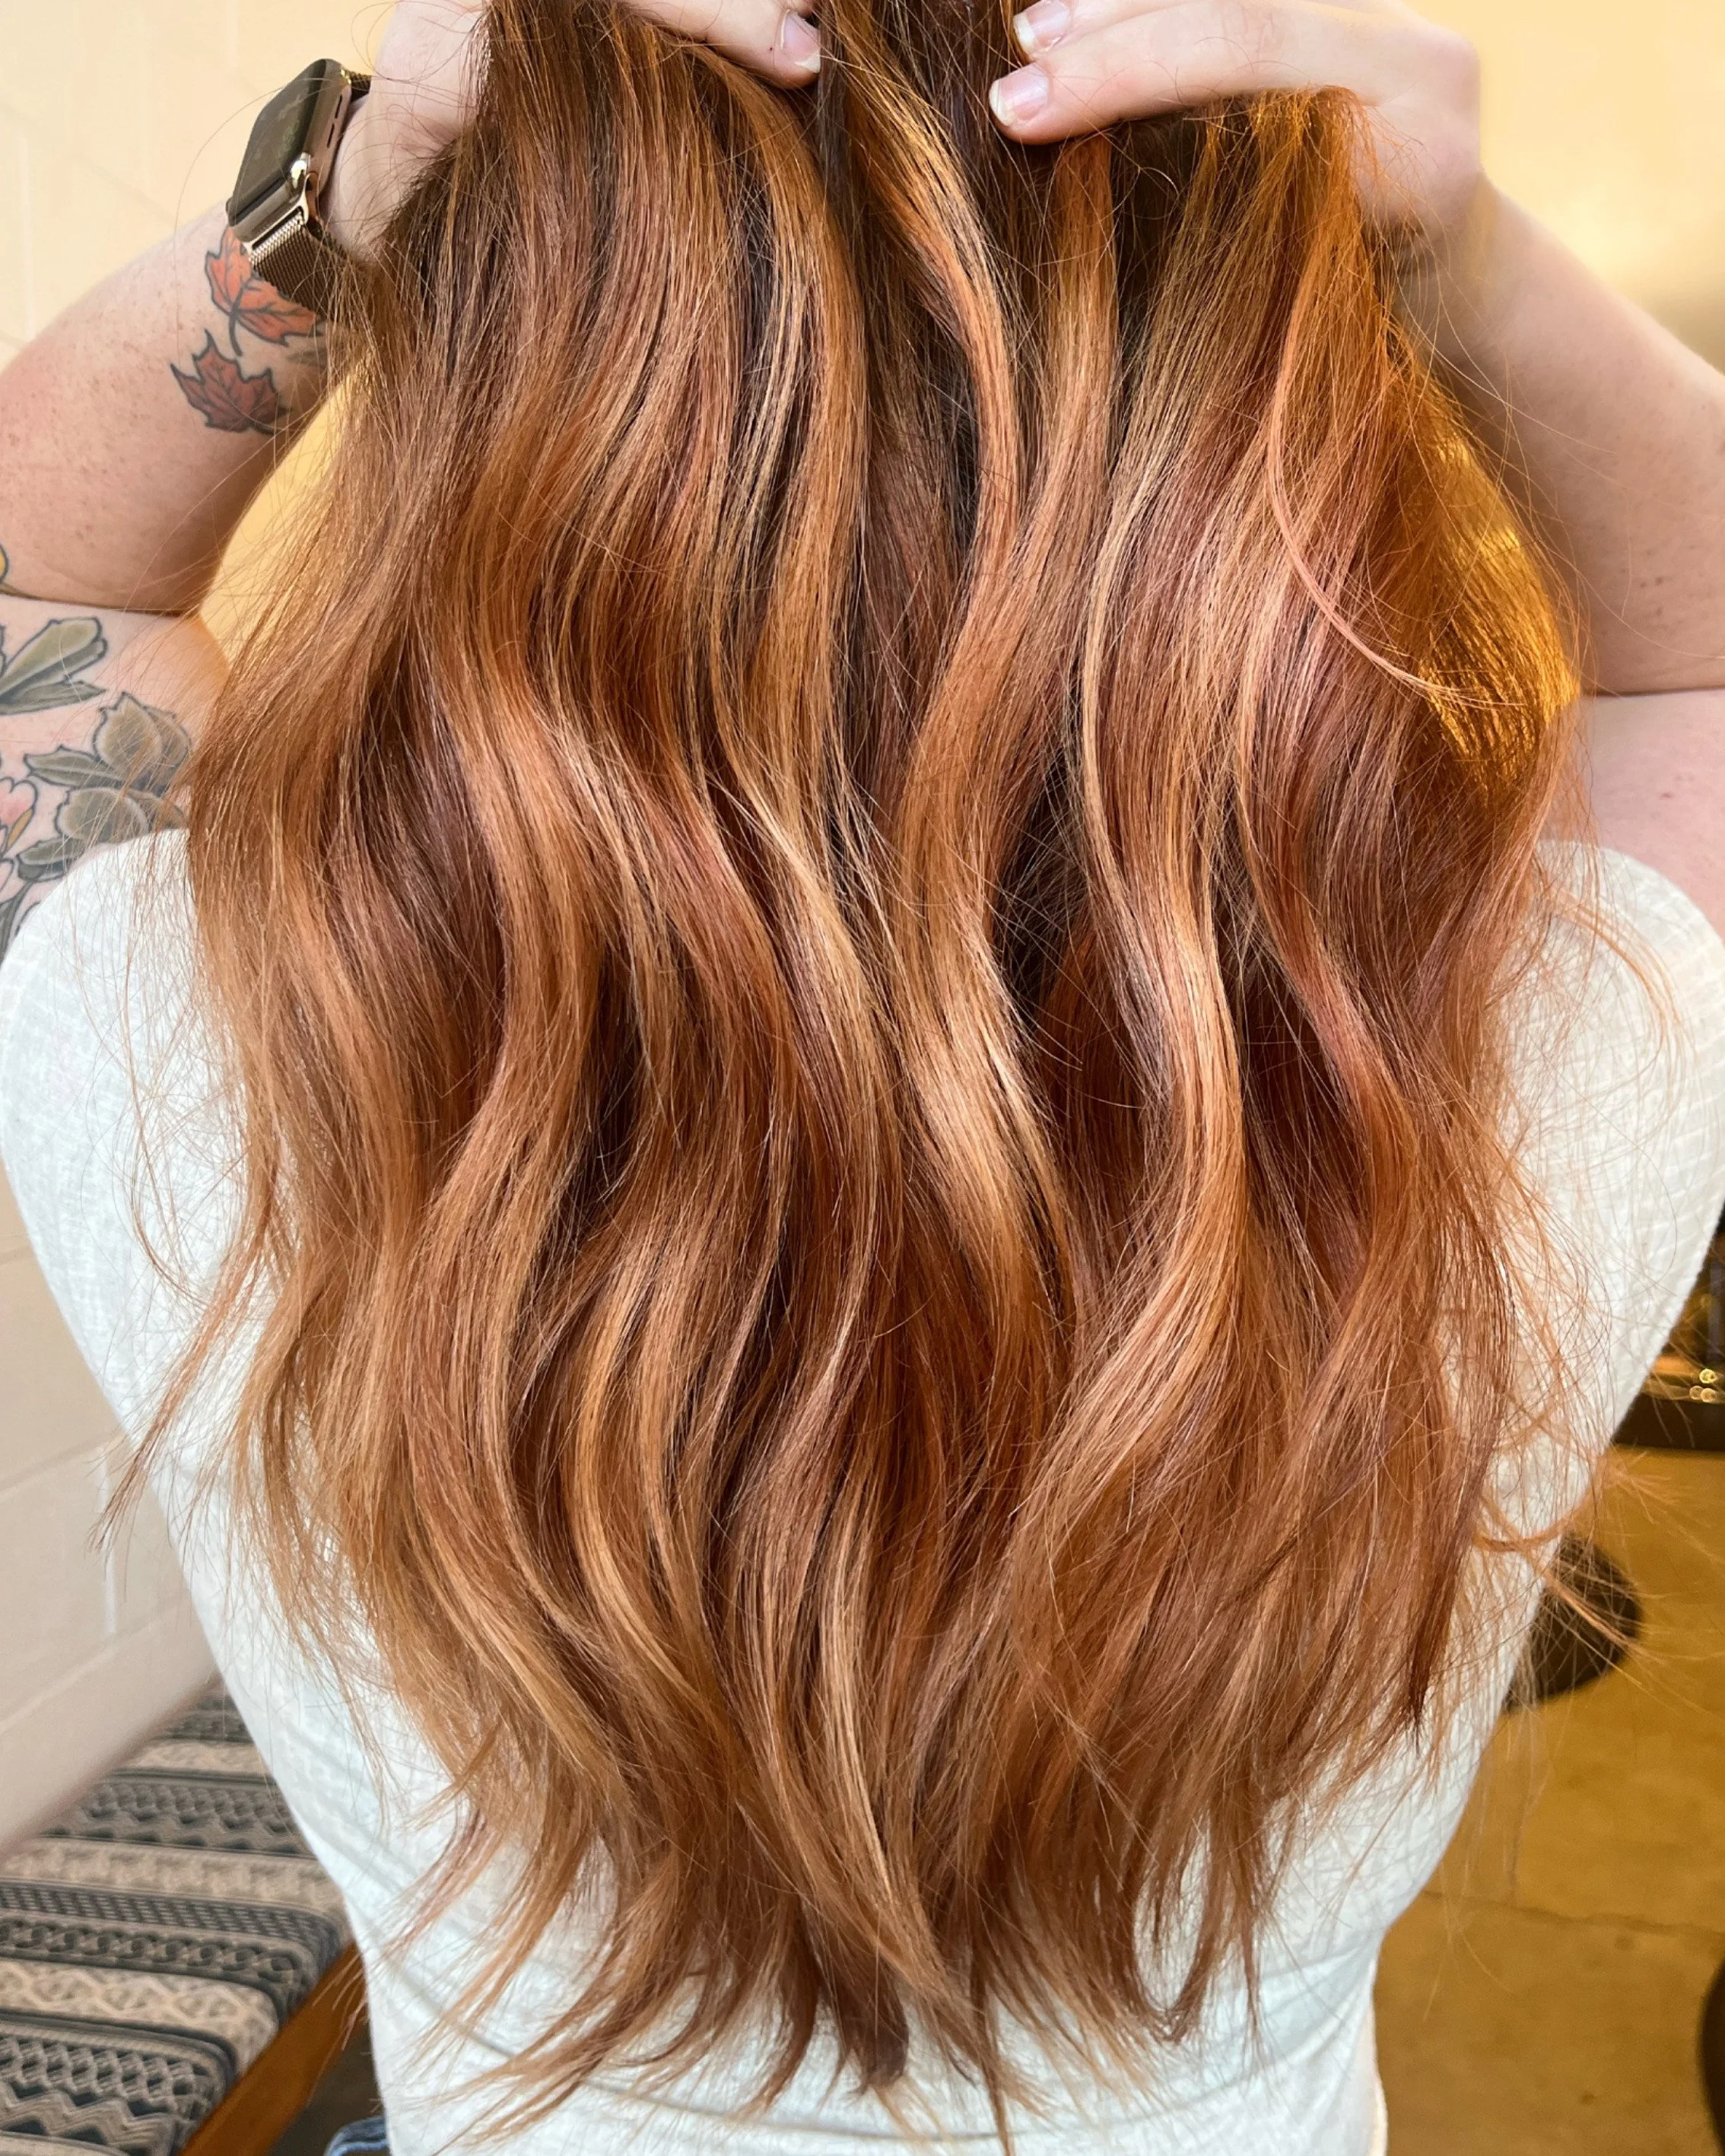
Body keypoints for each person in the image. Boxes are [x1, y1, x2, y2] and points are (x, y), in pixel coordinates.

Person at [2, 1, 1723, 2151]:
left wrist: (348, 174)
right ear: (1277, 458)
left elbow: (29, 586)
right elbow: (1694, 659)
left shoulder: (214, 1056)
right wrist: (1454, 245)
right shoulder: (1482, 1105)